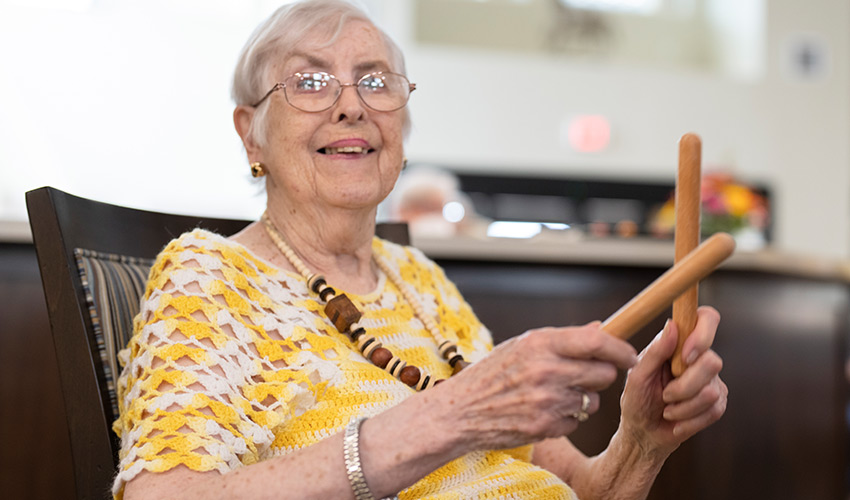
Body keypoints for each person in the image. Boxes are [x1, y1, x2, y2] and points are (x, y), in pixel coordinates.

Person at [113, 1, 727, 498]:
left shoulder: (422, 281)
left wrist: (642, 440)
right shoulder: (212, 279)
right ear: (252, 135)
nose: (350, 103)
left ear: (402, 134)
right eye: (309, 82)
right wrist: (450, 417)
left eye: (375, 82)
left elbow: (581, 489)